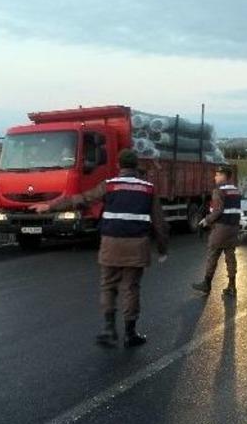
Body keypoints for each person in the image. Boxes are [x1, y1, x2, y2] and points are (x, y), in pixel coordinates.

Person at [29, 149, 168, 348]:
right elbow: (159, 223)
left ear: (119, 165)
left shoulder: (108, 185)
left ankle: (109, 330)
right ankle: (130, 334)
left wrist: (50, 206)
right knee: (131, 288)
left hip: (111, 245)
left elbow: (81, 199)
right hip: (137, 246)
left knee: (108, 286)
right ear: (136, 166)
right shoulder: (148, 189)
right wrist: (162, 249)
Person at [191, 165, 241, 297]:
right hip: (233, 228)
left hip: (221, 229)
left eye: (217, 175)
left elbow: (217, 211)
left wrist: (206, 220)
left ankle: (206, 283)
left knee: (213, 254)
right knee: (230, 257)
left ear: (224, 176)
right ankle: (232, 286)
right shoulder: (236, 191)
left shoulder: (218, 191)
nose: (215, 177)